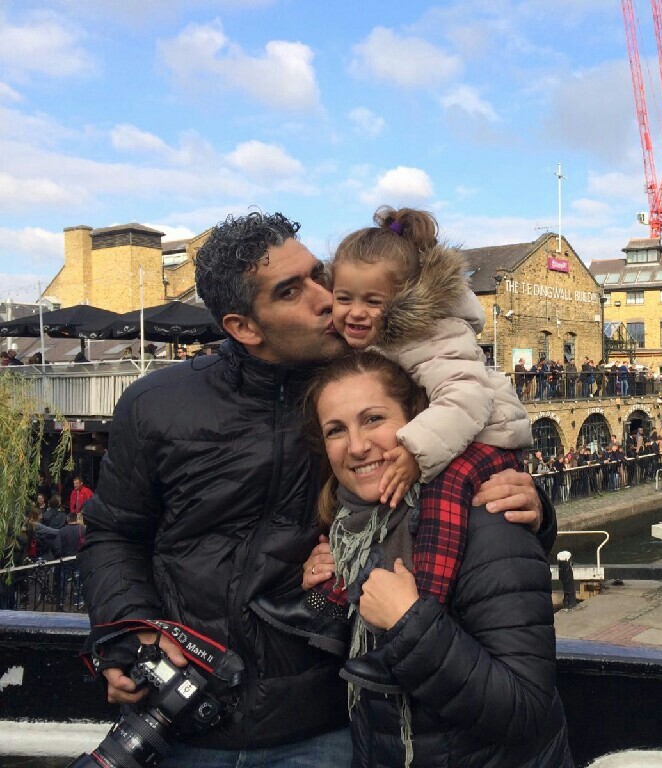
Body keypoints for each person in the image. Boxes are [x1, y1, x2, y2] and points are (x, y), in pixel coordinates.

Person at [78, 211, 555, 767]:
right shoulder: (157, 404)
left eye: (319, 276)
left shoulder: (373, 379)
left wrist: (535, 508)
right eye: (291, 291)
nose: (326, 299)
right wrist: (132, 635)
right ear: (243, 327)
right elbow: (113, 533)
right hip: (187, 715)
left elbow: (463, 461)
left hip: (323, 723)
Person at [254, 205, 534, 688]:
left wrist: (414, 451)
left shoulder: (430, 333)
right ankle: (336, 610)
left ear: (403, 300)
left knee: (441, 506)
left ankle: (412, 623)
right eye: (344, 298)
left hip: (479, 437)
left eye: (372, 301)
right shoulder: (367, 342)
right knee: (362, 515)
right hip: (443, 433)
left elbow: (467, 398)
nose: (352, 312)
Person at [298, 351, 573, 767]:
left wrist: (409, 621)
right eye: (336, 430)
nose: (357, 446)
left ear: (418, 420)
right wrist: (324, 586)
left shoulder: (486, 514)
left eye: (373, 419)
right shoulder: (350, 529)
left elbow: (525, 707)